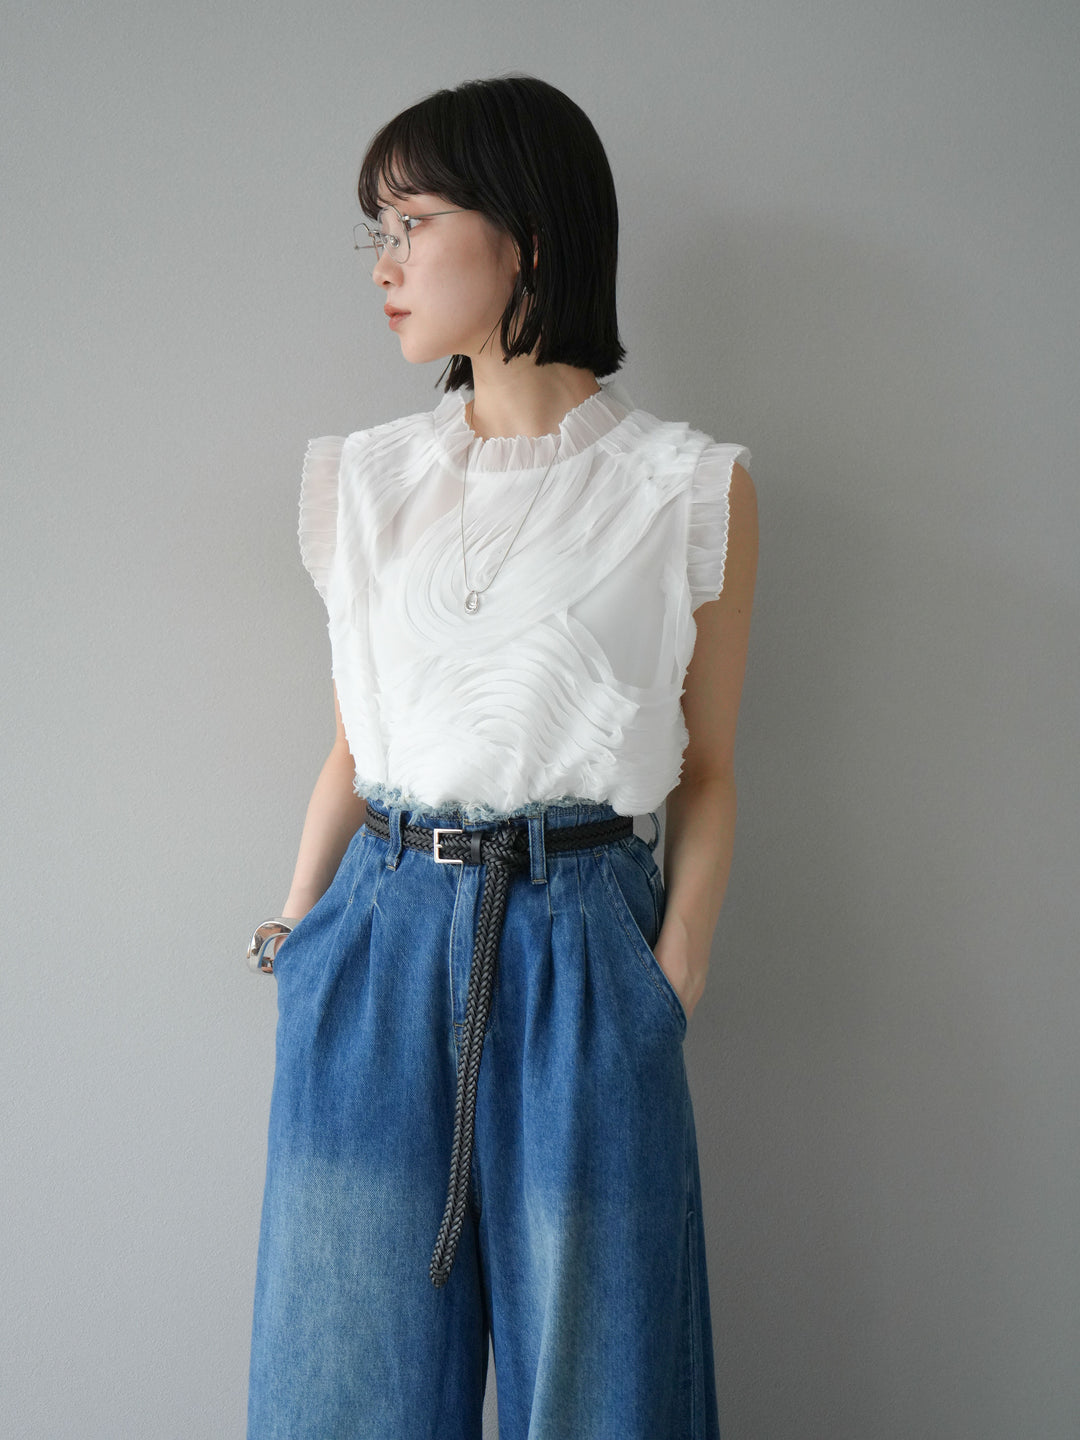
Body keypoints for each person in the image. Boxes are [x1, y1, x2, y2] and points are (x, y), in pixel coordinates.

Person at [246, 74, 758, 1440]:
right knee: (341, 1391)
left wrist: (671, 978)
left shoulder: (688, 488)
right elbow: (356, 743)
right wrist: (297, 934)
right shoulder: (363, 482)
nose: (385, 265)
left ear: (525, 233)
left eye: (411, 224)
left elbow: (709, 770)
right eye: (375, 233)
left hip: (583, 951)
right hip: (378, 938)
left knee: (604, 1393)